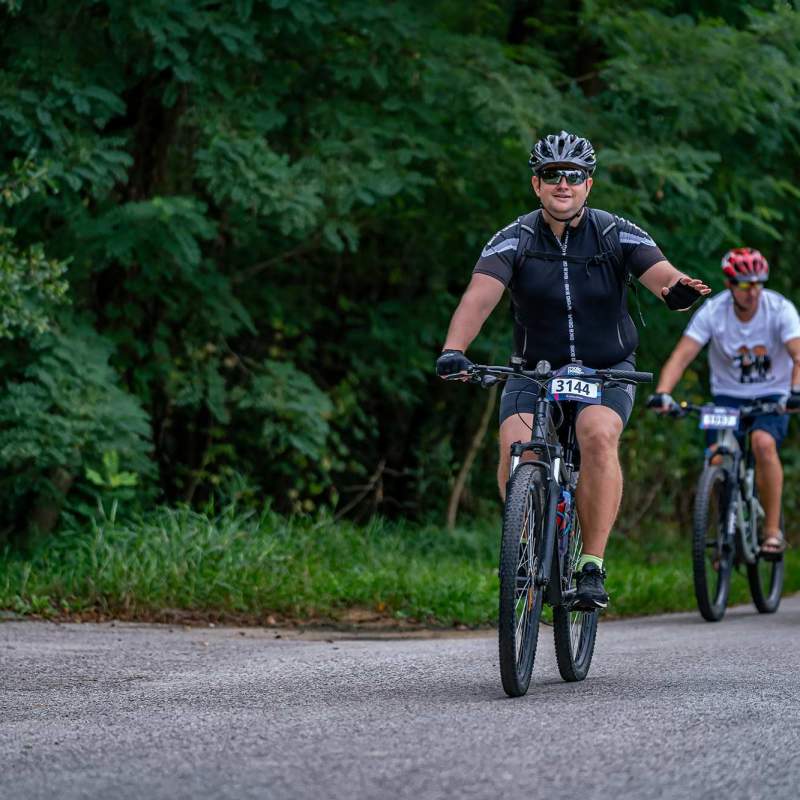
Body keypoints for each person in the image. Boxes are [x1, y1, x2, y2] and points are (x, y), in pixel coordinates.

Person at [435, 130, 710, 610]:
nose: (563, 184)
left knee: (597, 434)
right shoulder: (513, 238)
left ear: (589, 184)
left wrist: (677, 289)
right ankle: (528, 534)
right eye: (551, 175)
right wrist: (454, 349)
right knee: (518, 449)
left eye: (574, 176)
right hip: (534, 370)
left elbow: (660, 273)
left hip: (606, 369)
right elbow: (479, 297)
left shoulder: (615, 232)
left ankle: (591, 565)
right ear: (536, 185)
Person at [648, 247, 800, 556]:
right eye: (745, 285)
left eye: (758, 283)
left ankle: (771, 531)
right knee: (716, 458)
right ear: (730, 285)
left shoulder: (779, 309)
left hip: (773, 394)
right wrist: (663, 392)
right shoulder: (714, 312)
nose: (753, 291)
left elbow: (798, 355)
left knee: (762, 443)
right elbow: (682, 356)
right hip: (728, 397)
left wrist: (795, 392)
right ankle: (723, 527)